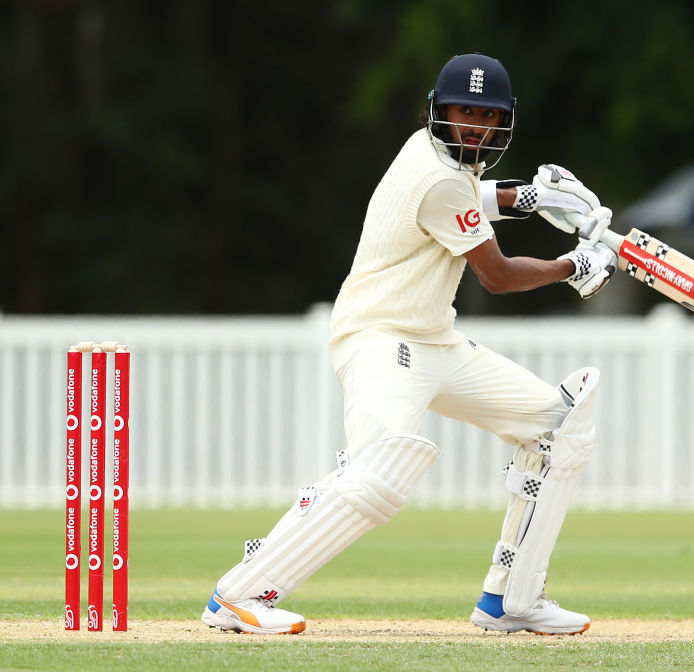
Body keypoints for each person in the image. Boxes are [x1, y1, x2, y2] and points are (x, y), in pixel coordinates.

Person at [201, 53, 616, 636]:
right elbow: (495, 275)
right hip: (379, 338)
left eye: (486, 115)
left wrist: (528, 198)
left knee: (557, 426)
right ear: (439, 110)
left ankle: (511, 601)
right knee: (383, 467)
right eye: (463, 112)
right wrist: (574, 264)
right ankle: (238, 595)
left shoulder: (439, 157)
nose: (474, 125)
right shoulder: (440, 177)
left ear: (503, 122)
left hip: (435, 341)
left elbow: (471, 199)